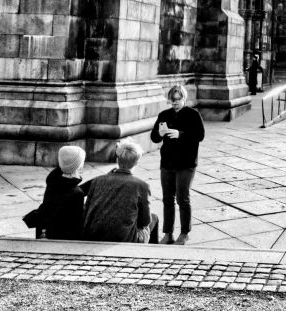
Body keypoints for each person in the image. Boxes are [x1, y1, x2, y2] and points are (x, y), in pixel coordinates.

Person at [150, 84, 204, 244]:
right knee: (167, 198)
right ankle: (167, 233)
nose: (175, 103)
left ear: (184, 99)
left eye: (178, 100)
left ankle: (185, 232)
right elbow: (154, 137)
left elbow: (199, 135)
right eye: (172, 100)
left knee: (182, 198)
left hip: (186, 163)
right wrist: (159, 134)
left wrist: (180, 134)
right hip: (167, 162)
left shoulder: (193, 115)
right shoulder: (164, 115)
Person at [79, 140, 159, 243]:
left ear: (118, 160)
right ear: (136, 162)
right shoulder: (141, 186)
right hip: (124, 238)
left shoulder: (97, 180)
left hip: (93, 234)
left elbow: (86, 211)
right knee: (154, 218)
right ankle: (149, 254)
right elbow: (145, 221)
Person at [33, 145, 89, 239]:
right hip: (62, 238)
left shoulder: (54, 179)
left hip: (47, 230)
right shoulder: (77, 194)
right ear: (78, 165)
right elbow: (77, 224)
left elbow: (67, 193)